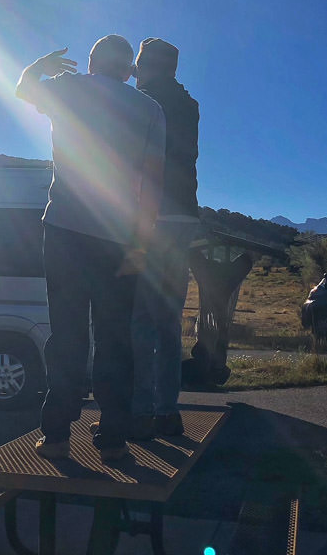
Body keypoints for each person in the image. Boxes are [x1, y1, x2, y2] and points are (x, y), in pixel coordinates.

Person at [15, 35, 166, 463]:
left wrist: (41, 64)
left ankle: (58, 436)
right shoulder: (150, 109)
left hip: (64, 231)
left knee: (68, 334)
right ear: (127, 70)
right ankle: (114, 440)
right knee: (115, 338)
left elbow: (22, 88)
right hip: (119, 237)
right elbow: (152, 182)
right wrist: (142, 239)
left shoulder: (69, 88)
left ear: (93, 63)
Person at [130, 37, 199, 439]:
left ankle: (140, 411)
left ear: (149, 66)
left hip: (149, 215)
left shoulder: (142, 103)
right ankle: (167, 411)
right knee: (169, 319)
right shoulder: (189, 105)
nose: (135, 72)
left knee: (139, 317)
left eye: (139, 65)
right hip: (183, 216)